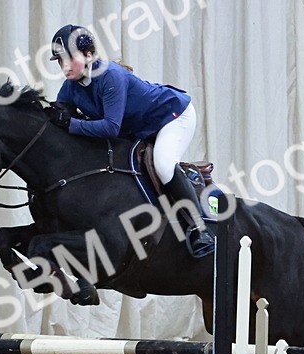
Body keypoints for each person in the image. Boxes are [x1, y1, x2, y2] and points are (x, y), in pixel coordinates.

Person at [47, 24, 215, 258]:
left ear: (88, 55)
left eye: (69, 59)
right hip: (139, 128)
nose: (64, 66)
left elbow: (110, 127)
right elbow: (60, 120)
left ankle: (200, 228)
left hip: (172, 116)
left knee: (163, 164)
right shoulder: (70, 87)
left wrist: (72, 124)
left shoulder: (110, 76)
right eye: (59, 61)